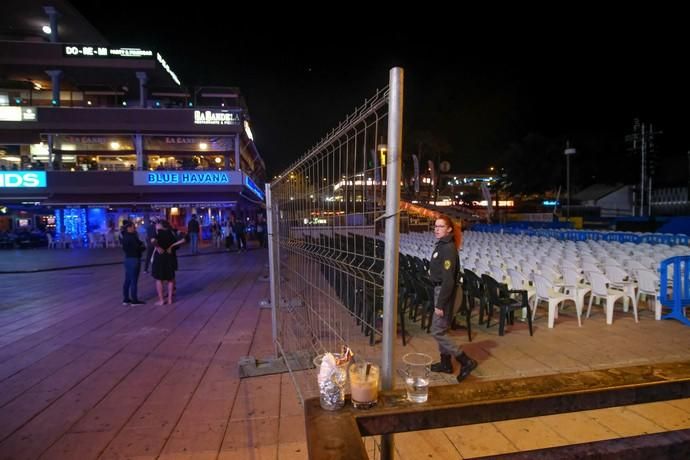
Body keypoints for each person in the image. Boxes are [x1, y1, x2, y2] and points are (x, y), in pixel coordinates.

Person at [428, 214, 477, 382]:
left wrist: (440, 303)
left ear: (449, 229)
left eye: (441, 226)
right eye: (435, 226)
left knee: (437, 330)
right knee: (441, 329)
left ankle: (466, 360)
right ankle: (446, 363)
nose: (437, 229)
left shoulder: (448, 248)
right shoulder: (442, 245)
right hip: (441, 290)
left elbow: (449, 280)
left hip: (446, 293)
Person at [151, 220, 185, 305]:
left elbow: (153, 241)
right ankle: (170, 299)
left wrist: (157, 247)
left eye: (157, 224)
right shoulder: (171, 232)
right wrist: (172, 246)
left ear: (161, 225)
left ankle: (161, 300)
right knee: (170, 278)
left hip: (160, 258)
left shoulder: (158, 233)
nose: (156, 225)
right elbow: (184, 239)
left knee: (159, 279)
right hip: (170, 257)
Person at [120, 220, 146, 306]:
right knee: (134, 280)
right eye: (133, 226)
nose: (134, 228)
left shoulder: (124, 237)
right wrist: (142, 247)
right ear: (129, 228)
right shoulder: (132, 237)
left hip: (127, 259)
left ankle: (126, 299)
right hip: (134, 259)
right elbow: (139, 247)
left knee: (127, 280)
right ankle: (134, 300)